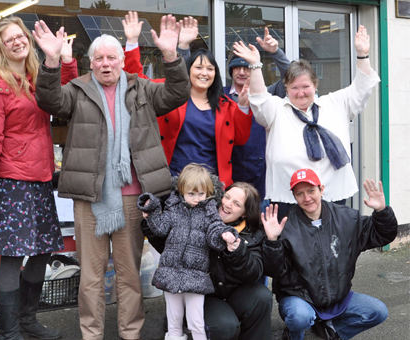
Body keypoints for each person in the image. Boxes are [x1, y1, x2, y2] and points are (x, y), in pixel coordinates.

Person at [32, 15, 190, 340]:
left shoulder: (141, 88)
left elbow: (177, 94)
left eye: (112, 57)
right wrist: (51, 61)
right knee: (90, 278)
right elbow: (49, 100)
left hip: (132, 198)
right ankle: (92, 336)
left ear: (121, 60)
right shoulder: (77, 90)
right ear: (91, 63)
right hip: (91, 200)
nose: (106, 64)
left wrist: (172, 57)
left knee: (130, 275)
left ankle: (130, 334)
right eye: (99, 59)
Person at [0, 17, 77, 340]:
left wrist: (65, 60)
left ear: (28, 40)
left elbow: (65, 98)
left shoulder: (36, 76)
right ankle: (9, 332)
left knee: (41, 251)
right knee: (13, 257)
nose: (16, 42)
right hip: (12, 181)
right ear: (0, 48)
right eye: (8, 39)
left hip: (41, 177)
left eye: (20, 36)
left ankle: (28, 321)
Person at [233, 25, 380, 218]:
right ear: (286, 87)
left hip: (332, 192)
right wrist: (255, 65)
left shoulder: (336, 103)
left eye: (306, 86)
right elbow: (259, 98)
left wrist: (362, 55)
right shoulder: (277, 109)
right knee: (293, 246)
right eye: (294, 87)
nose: (300, 93)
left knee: (332, 244)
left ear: (315, 85)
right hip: (288, 196)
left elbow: (362, 87)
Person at [261, 168, 398, 340]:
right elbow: (275, 270)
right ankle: (293, 334)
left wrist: (381, 212)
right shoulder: (287, 225)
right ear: (294, 197)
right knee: (300, 317)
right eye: (300, 194)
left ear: (321, 189)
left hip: (337, 298)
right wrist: (272, 241)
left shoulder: (346, 218)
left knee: (378, 311)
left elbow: (381, 235)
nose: (307, 198)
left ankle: (333, 330)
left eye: (311, 191)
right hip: (300, 298)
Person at [122, 11, 252, 188]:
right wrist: (131, 42)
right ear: (187, 71)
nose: (204, 73)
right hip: (171, 182)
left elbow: (241, 139)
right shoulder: (166, 94)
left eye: (210, 68)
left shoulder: (226, 105)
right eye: (198, 67)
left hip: (210, 186)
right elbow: (136, 80)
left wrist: (243, 107)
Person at [143, 181, 273, 340]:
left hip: (231, 291)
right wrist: (151, 223)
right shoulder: (198, 215)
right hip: (199, 294)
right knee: (225, 325)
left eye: (237, 204)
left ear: (245, 213)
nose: (227, 204)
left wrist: (236, 251)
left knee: (262, 296)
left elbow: (253, 273)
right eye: (227, 197)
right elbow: (169, 248)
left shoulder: (252, 232)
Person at [137, 163, 239, 340]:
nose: (197, 198)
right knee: (174, 320)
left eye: (201, 193)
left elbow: (215, 230)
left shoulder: (209, 212)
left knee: (196, 321)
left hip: (196, 275)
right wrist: (152, 210)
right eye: (191, 193)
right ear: (182, 190)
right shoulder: (173, 208)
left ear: (207, 192)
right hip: (171, 271)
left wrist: (226, 234)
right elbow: (161, 228)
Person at [226, 27, 290, 201]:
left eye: (247, 67)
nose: (241, 72)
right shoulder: (220, 95)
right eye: (237, 67)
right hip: (230, 169)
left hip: (262, 172)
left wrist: (276, 52)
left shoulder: (268, 94)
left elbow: (291, 77)